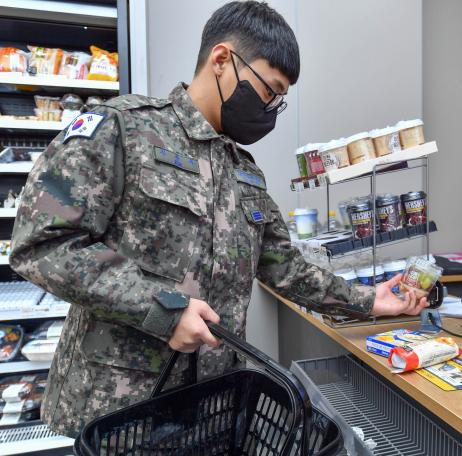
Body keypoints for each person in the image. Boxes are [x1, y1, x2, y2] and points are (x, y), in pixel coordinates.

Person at [10, 1, 428, 437]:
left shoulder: (244, 170)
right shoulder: (122, 130)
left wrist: (367, 300)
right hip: (123, 408)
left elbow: (284, 265)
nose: (270, 108)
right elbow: (43, 244)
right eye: (269, 90)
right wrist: (162, 310)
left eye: (280, 100)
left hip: (215, 407)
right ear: (222, 59)